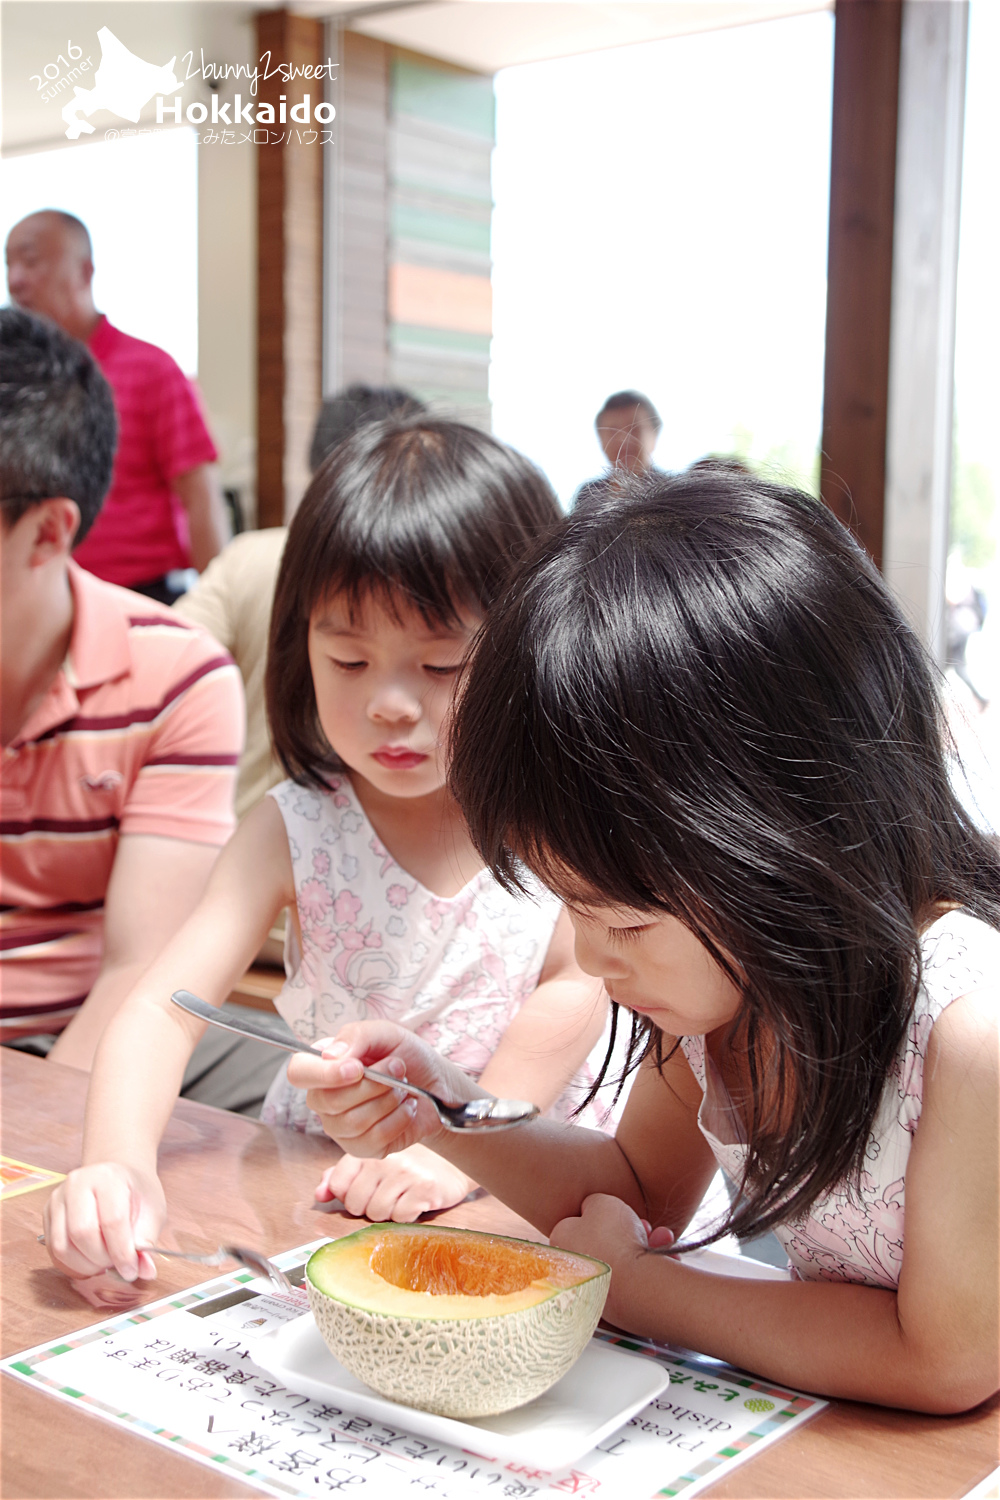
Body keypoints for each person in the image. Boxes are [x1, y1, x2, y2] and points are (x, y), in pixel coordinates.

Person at [279, 468, 998, 1414]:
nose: (599, 962)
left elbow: (943, 1361)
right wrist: (442, 1114)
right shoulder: (727, 987)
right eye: (571, 907)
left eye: (623, 922)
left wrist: (643, 1288)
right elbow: (638, 1190)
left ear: (793, 838)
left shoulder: (967, 1032)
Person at [43, 416, 610, 1277]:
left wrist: (460, 1143)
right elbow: (166, 1005)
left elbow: (578, 985)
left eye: (440, 666)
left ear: (529, 644)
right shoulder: (294, 826)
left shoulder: (554, 815)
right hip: (330, 1199)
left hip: (523, 1192)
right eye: (347, 660)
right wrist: (116, 1162)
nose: (388, 702)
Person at [0, 308, 281, 1112]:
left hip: (93, 1032)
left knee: (298, 1110)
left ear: (49, 530)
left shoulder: (174, 677)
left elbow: (140, 965)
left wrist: (33, 1145)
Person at [175, 386, 426, 820]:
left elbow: (165, 665)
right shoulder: (434, 581)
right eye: (349, 660)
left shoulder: (250, 557)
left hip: (239, 821)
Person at [5, 210, 228, 604]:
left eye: (31, 260)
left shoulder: (152, 370)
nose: (16, 279)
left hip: (144, 596)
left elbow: (201, 497)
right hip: (38, 599)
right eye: (9, 263)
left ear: (85, 271)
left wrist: (220, 608)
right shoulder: (15, 381)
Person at [573, 390, 662, 513]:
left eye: (634, 429)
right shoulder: (588, 495)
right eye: (612, 431)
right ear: (601, 439)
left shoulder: (673, 491)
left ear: (654, 435)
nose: (623, 440)